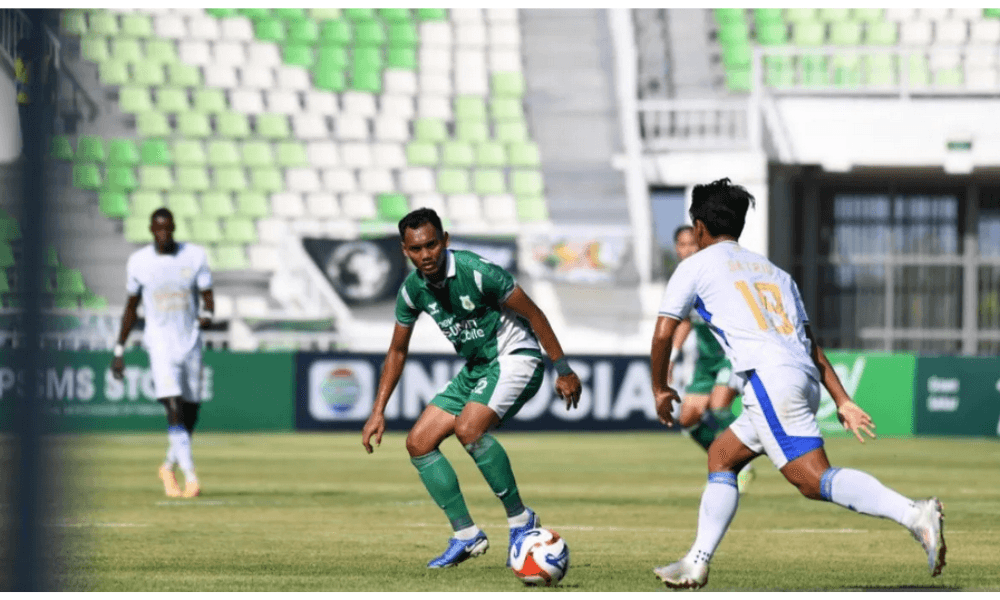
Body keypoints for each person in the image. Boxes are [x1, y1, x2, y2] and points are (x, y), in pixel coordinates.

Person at [649, 179, 945, 589]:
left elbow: (664, 332)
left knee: (812, 479)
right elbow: (810, 345)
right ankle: (696, 561)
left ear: (698, 228)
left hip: (768, 380)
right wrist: (841, 399)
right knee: (721, 456)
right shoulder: (774, 272)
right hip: (796, 376)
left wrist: (661, 389)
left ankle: (915, 514)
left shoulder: (695, 265)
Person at [362, 207, 582, 569]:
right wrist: (377, 411)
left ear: (445, 241)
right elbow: (397, 350)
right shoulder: (412, 290)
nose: (426, 254)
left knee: (468, 428)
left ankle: (520, 520)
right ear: (405, 250)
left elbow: (534, 313)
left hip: (516, 356)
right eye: (416, 249)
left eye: (432, 245)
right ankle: (466, 535)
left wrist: (562, 368)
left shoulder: (479, 272)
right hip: (478, 367)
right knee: (418, 443)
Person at [112, 208, 214, 499]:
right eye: (158, 229)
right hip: (160, 344)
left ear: (174, 227)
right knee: (173, 406)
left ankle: (168, 466)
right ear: (150, 229)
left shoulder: (194, 256)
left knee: (191, 413)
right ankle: (190, 477)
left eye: (168, 228)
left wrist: (207, 314)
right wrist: (119, 349)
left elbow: (208, 297)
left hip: (190, 342)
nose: (163, 234)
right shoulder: (139, 262)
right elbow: (131, 307)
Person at [667, 225, 754, 493]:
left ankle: (744, 462)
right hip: (705, 361)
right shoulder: (681, 279)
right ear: (676, 248)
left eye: (692, 243)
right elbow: (683, 322)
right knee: (688, 419)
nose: (687, 249)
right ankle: (723, 457)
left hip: (730, 354)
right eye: (682, 245)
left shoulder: (715, 271)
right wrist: (671, 356)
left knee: (718, 407)